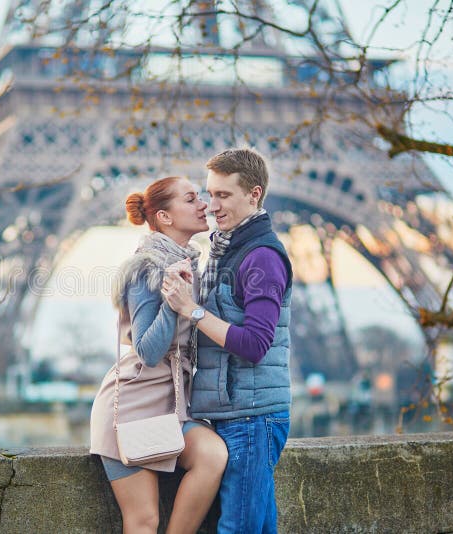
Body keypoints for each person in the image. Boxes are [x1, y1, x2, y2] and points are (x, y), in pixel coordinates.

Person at [162, 149, 293, 533]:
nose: (211, 205)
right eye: (209, 194)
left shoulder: (262, 258)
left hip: (252, 416)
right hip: (232, 413)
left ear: (254, 194)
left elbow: (255, 344)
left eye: (224, 195)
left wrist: (192, 310)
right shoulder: (224, 249)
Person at [90, 176, 228, 534]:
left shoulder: (191, 265)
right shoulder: (146, 269)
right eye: (190, 199)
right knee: (143, 520)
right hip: (131, 408)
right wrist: (174, 302)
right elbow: (148, 352)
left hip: (172, 407)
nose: (203, 204)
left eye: (201, 196)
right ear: (165, 217)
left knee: (213, 455)